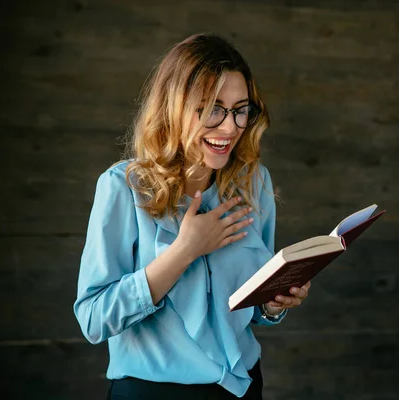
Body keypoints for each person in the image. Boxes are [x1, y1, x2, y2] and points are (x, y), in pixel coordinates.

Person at [73, 33, 311, 399]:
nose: (230, 127)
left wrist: (272, 302)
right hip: (152, 393)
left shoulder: (253, 182)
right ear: (175, 107)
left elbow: (250, 309)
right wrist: (184, 250)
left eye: (240, 109)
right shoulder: (122, 188)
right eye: (213, 108)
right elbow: (93, 319)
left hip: (243, 388)